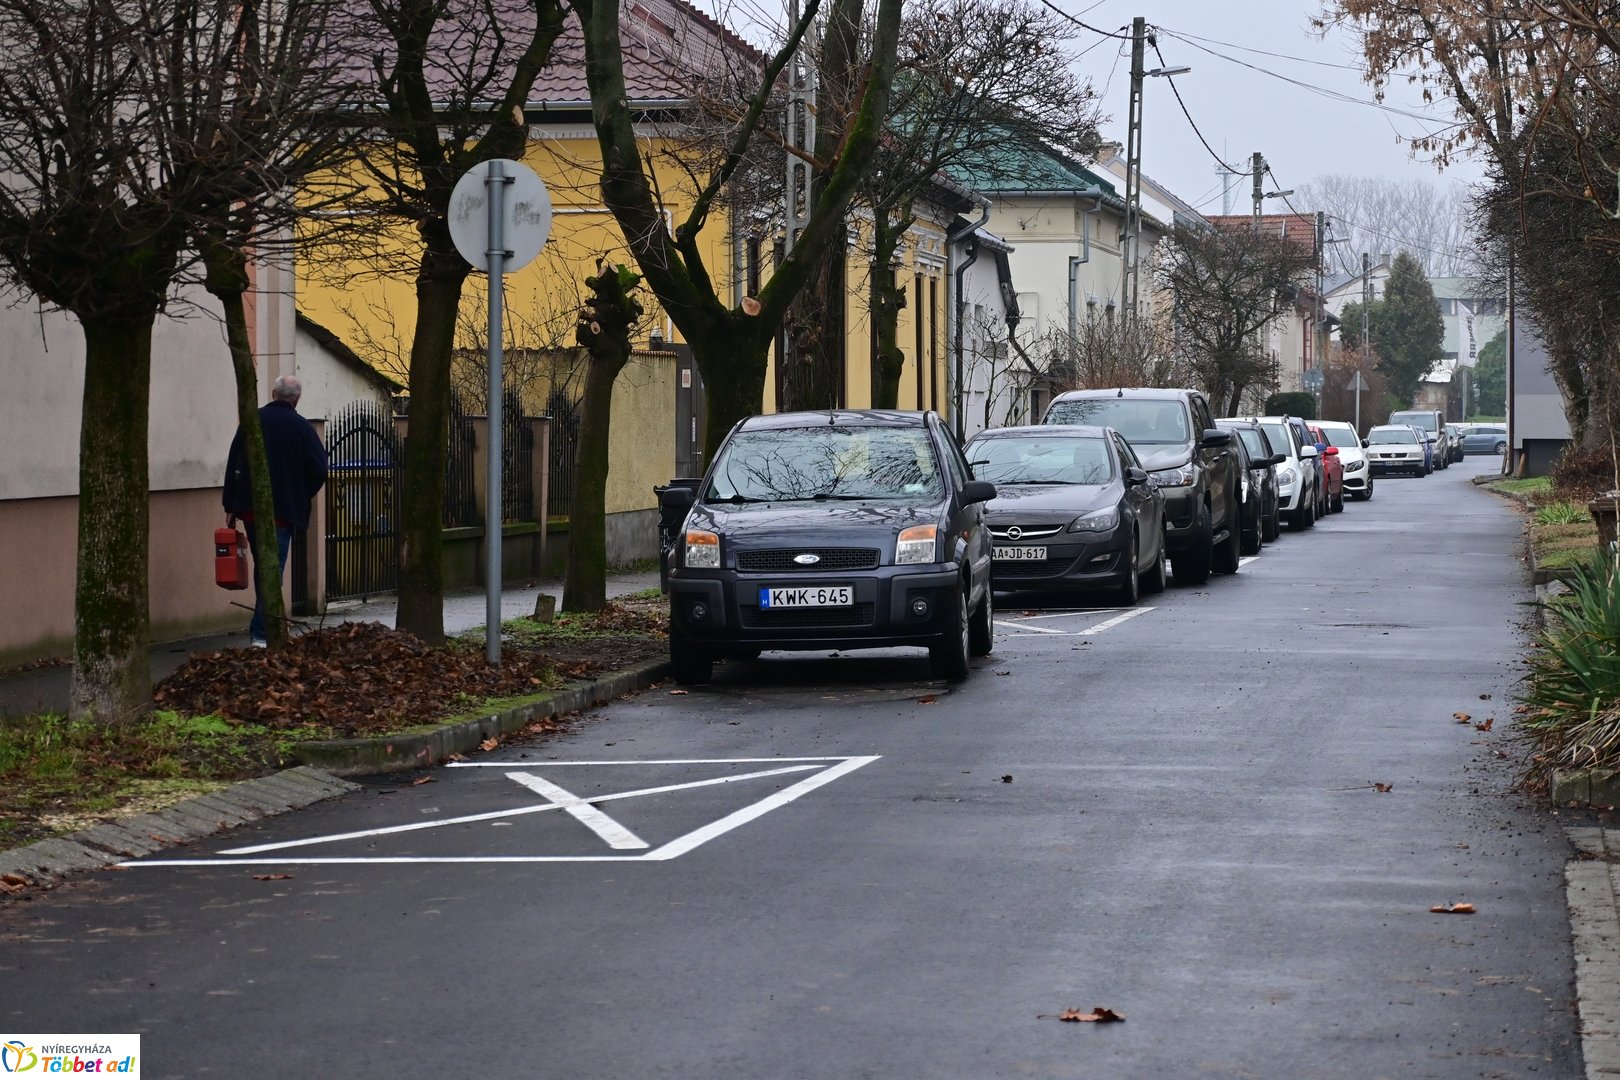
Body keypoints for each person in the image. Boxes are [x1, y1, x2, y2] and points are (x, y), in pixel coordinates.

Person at [222, 375, 328, 647]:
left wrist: (231, 504)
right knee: (272, 572)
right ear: (297, 399)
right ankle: (261, 635)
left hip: (250, 510)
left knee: (264, 569)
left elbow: (235, 461)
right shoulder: (302, 428)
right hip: (282, 513)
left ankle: (265, 630)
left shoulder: (252, 421)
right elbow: (319, 469)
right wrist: (299, 494)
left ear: (272, 393)